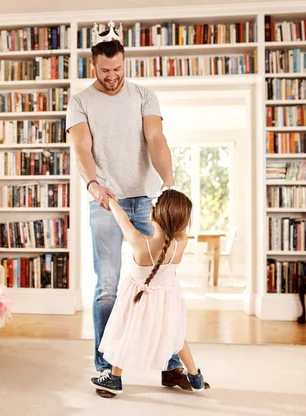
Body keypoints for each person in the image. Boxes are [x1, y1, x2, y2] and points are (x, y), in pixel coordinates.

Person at [66, 21, 208, 393]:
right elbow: (81, 149)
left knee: (162, 283)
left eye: (118, 70)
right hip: (105, 199)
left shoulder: (144, 95)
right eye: (105, 71)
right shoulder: (80, 101)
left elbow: (155, 137)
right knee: (109, 287)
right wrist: (93, 183)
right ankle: (107, 366)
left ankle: (170, 365)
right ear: (92, 65)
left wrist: (169, 180)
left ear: (124, 63)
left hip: (145, 198)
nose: (112, 77)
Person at [90, 187, 208, 396]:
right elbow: (177, 229)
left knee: (125, 336)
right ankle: (195, 376)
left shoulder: (141, 243)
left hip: (139, 302)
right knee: (177, 337)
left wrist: (111, 201)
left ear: (152, 214)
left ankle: (115, 378)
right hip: (167, 300)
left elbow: (122, 220)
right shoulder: (181, 243)